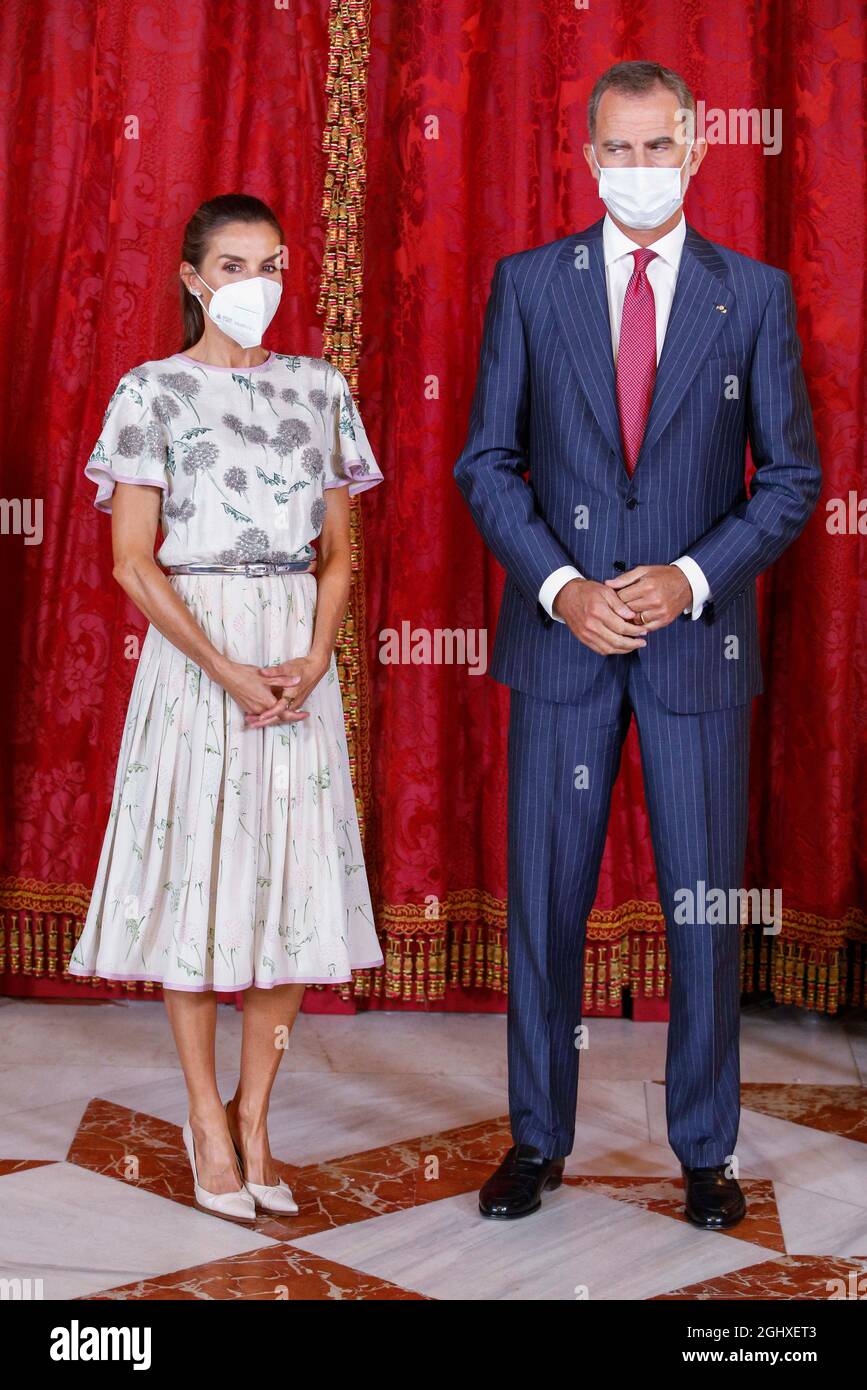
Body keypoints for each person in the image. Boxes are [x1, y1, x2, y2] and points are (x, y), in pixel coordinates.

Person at [454, 61, 821, 1229]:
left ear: (697, 147)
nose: (637, 172)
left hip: (692, 653)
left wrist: (691, 575)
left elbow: (793, 477)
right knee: (546, 905)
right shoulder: (527, 285)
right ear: (587, 154)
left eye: (657, 149)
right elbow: (487, 463)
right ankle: (537, 1141)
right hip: (561, 647)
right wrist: (562, 588)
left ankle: (705, 1152)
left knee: (703, 907)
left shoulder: (751, 294)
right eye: (617, 152)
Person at [70, 193, 384, 1223]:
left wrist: (307, 656)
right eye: (236, 266)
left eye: (274, 264)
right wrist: (227, 668)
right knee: (201, 884)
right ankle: (205, 1114)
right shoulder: (149, 393)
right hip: (196, 659)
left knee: (292, 890)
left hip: (296, 661)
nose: (260, 284)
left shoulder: (319, 389)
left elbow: (340, 553)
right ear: (193, 279)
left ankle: (258, 1114)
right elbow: (130, 562)